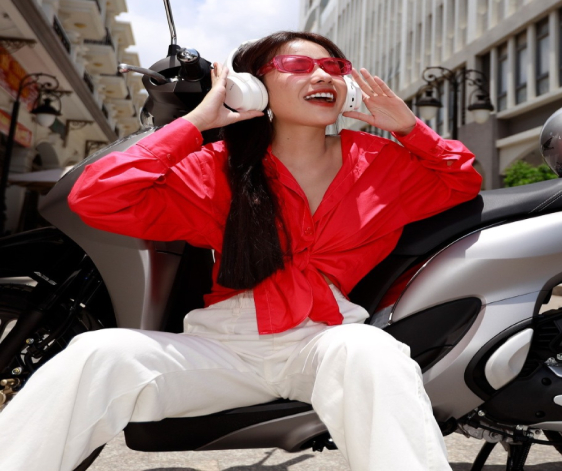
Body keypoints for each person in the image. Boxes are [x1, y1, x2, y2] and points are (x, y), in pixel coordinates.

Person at [0, 31, 482, 471]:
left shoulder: (379, 162)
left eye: (334, 68)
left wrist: (408, 127)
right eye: (298, 66)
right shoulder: (218, 167)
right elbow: (96, 196)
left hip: (325, 342)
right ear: (254, 87)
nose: (321, 75)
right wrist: (196, 123)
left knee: (373, 352)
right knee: (97, 353)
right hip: (222, 348)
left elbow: (461, 179)